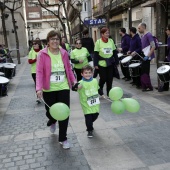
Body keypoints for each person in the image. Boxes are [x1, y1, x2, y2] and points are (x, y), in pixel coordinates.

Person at [36, 30, 76, 149]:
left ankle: (63, 138)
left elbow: (68, 69)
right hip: (48, 89)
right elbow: (39, 72)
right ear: (48, 41)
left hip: (63, 87)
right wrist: (38, 88)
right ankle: (52, 120)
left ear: (60, 41)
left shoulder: (64, 53)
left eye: (57, 39)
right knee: (50, 112)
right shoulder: (42, 54)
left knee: (64, 113)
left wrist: (73, 81)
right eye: (52, 39)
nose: (55, 41)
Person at [72, 65, 103, 138]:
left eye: (89, 72)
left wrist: (102, 94)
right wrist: (76, 87)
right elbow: (73, 88)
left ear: (92, 73)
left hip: (95, 103)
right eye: (86, 73)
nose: (88, 74)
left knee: (95, 116)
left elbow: (98, 88)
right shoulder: (80, 83)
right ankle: (89, 130)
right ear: (82, 74)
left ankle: (89, 123)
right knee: (88, 118)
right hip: (86, 104)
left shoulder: (95, 80)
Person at [93, 27, 119, 97]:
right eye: (106, 33)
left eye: (108, 33)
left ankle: (109, 93)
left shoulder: (111, 41)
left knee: (110, 79)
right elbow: (95, 54)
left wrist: (117, 62)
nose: (108, 34)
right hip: (101, 64)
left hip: (110, 63)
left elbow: (114, 52)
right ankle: (100, 88)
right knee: (103, 78)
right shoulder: (98, 42)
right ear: (102, 34)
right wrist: (95, 64)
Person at [138, 23, 155, 91]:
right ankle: (145, 85)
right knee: (143, 71)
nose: (138, 30)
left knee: (145, 71)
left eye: (139, 28)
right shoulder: (143, 36)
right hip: (143, 55)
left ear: (143, 27)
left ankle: (148, 86)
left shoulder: (149, 35)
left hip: (146, 56)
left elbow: (153, 46)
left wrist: (148, 56)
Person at [159, 24, 170, 92]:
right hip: (168, 57)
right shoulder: (168, 37)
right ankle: (165, 86)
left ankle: (165, 86)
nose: (165, 31)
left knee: (166, 72)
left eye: (167, 30)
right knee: (165, 71)